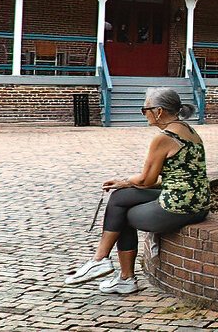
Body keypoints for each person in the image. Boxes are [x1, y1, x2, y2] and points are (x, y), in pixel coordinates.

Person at [63, 87, 209, 294]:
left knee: (122, 213)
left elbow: (146, 179)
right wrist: (126, 185)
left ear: (158, 111)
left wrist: (125, 180)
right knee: (121, 197)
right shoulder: (189, 130)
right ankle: (105, 265)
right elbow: (174, 176)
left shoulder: (164, 137)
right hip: (197, 200)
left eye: (145, 109)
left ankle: (115, 271)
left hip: (180, 205)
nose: (145, 114)